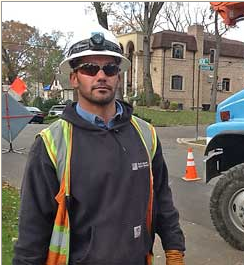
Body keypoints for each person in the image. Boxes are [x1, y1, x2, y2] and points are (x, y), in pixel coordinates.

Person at [13, 24, 185, 265]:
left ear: (118, 75)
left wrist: (174, 248)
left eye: (110, 68)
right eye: (90, 68)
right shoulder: (52, 144)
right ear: (74, 78)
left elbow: (162, 198)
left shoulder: (145, 135)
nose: (101, 75)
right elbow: (33, 226)